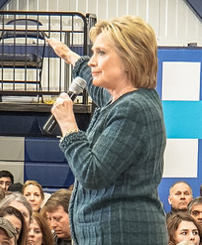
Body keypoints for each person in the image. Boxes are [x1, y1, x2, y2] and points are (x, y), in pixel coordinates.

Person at [47, 15, 167, 244]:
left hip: (121, 235)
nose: (92, 61)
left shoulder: (133, 108)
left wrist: (68, 125)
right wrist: (71, 57)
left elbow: (93, 173)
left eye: (101, 53)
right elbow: (97, 88)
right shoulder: (122, 99)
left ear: (129, 59)